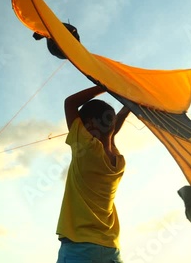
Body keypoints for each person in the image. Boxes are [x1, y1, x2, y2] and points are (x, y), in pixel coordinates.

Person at [56, 85, 131, 263]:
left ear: (89, 124)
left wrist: (105, 84)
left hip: (80, 248)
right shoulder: (118, 162)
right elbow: (111, 133)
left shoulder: (86, 148)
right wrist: (128, 107)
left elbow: (70, 103)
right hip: (111, 251)